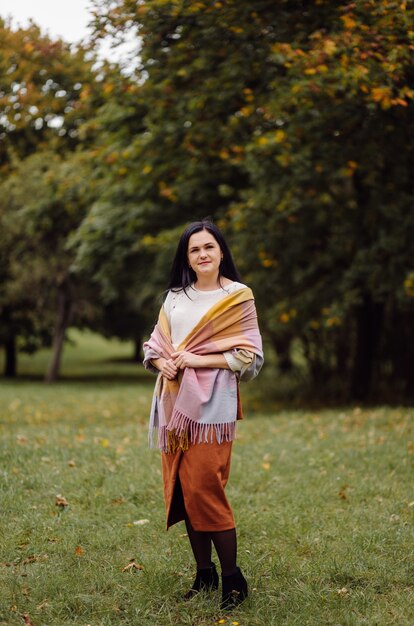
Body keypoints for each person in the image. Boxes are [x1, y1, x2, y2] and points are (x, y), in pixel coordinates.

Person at [143, 219, 263, 609]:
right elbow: (157, 344)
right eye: (195, 250)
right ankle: (204, 574)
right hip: (173, 406)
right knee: (182, 488)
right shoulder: (176, 297)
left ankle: (233, 579)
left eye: (209, 247)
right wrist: (161, 363)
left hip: (213, 410)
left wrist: (196, 358)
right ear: (188, 258)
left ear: (222, 251)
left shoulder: (238, 296)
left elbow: (249, 357)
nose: (203, 254)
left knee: (204, 488)